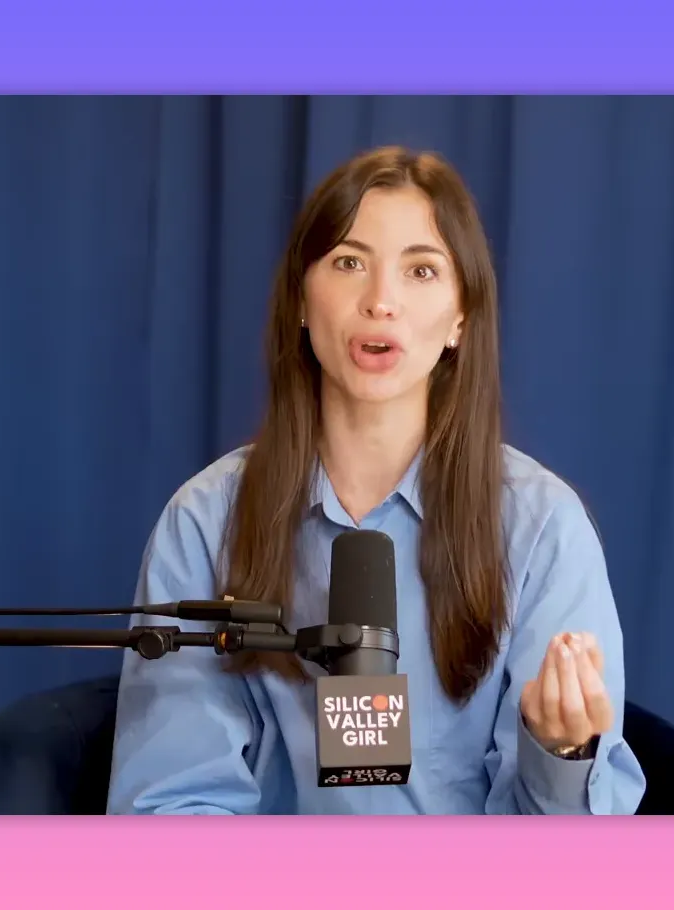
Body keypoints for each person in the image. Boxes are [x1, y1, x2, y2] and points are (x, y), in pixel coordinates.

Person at [106, 146, 646, 815]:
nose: (381, 301)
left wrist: (562, 756)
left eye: (421, 270)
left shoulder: (541, 530)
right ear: (301, 302)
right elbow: (172, 803)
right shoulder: (206, 521)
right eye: (349, 262)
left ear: (460, 320)